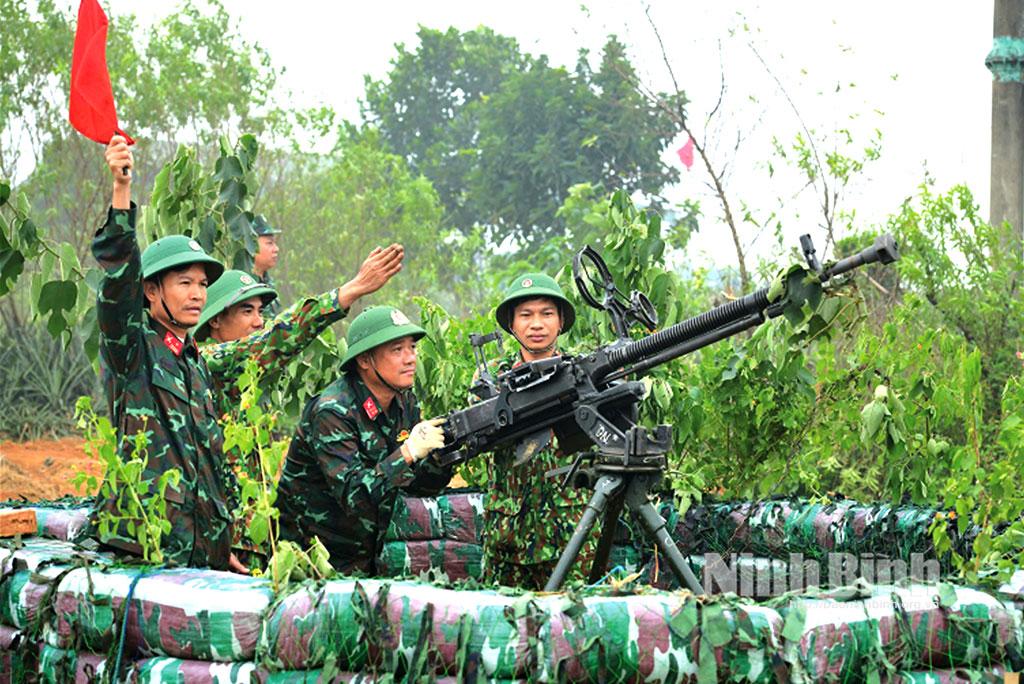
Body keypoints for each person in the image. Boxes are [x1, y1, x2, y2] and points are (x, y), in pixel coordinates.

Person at [88, 135, 242, 571]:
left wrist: (220, 544)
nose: (198, 295)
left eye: (202, 284)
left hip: (199, 555)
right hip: (148, 552)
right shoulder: (133, 349)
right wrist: (121, 191)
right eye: (184, 283)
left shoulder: (195, 364)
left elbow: (205, 463)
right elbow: (119, 280)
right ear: (152, 291)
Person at [277, 306, 453, 573]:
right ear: (364, 360)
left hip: (373, 553)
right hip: (317, 563)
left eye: (413, 347)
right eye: (397, 350)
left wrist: (444, 454)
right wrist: (407, 453)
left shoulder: (404, 401)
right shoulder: (333, 412)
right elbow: (355, 497)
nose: (410, 358)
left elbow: (416, 487)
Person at [481, 272, 599, 589]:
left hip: (572, 534)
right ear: (511, 324)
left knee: (573, 617)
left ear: (560, 322)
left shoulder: (582, 374)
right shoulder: (492, 381)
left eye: (547, 314)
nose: (537, 324)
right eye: (526, 315)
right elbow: (483, 439)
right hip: (509, 537)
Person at [195, 244, 404, 417]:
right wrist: (351, 290)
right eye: (247, 311)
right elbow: (276, 339)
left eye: (260, 311)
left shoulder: (251, 375)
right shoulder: (207, 360)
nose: (258, 322)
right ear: (215, 320)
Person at [251, 215, 282, 317]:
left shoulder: (268, 282)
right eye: (269, 243)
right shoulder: (243, 284)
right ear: (251, 245)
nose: (276, 249)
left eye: (275, 243)